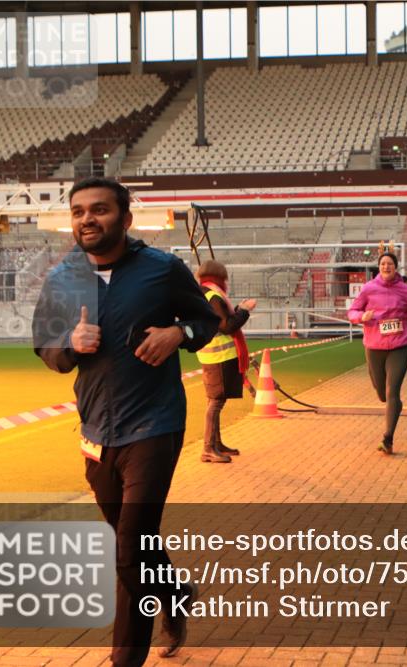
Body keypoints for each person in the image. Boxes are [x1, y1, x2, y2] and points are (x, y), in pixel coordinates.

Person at [32, 177, 219, 667]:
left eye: (99, 210)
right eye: (78, 212)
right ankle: (176, 594)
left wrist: (179, 332)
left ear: (126, 218)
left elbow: (209, 321)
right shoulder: (60, 279)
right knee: (131, 540)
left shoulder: (163, 269)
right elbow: (45, 348)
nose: (87, 219)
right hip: (96, 430)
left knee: (128, 550)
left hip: (155, 424)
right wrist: (70, 344)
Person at [347, 252, 407, 455]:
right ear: (379, 267)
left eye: (390, 264)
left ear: (396, 267)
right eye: (383, 264)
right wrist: (361, 316)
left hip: (399, 347)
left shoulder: (406, 290)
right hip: (374, 347)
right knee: (382, 393)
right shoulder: (368, 289)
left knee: (393, 391)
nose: (386, 267)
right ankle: (392, 406)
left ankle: (388, 437)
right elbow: (352, 312)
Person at [195, 260, 257, 464]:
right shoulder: (213, 296)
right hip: (218, 357)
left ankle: (216, 443)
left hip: (212, 356)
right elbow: (227, 326)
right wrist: (245, 310)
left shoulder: (204, 293)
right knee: (216, 402)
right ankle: (208, 448)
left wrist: (238, 308)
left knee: (215, 401)